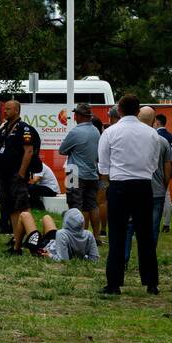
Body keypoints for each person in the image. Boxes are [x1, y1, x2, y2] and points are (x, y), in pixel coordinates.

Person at [97, 93, 161, 295]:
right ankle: (151, 282)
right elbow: (153, 163)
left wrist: (111, 181)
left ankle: (114, 283)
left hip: (119, 185)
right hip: (143, 185)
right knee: (145, 235)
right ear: (138, 110)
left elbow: (103, 166)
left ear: (120, 110)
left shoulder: (110, 132)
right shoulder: (151, 134)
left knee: (117, 234)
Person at [124, 107, 172, 262]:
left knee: (129, 226)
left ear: (138, 118)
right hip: (156, 191)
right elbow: (167, 169)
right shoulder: (163, 141)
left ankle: (123, 258)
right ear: (154, 121)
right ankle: (147, 261)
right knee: (151, 229)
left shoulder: (130, 138)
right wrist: (164, 187)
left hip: (133, 187)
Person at [0, 100, 41, 253]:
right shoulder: (5, 128)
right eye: (4, 109)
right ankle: (16, 239)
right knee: (11, 208)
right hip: (4, 175)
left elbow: (29, 151)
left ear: (17, 110)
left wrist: (21, 173)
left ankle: (34, 238)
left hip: (16, 175)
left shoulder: (24, 128)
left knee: (23, 207)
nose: (5, 111)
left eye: (8, 109)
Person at [57, 103, 103, 242]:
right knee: (92, 205)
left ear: (80, 116)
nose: (74, 116)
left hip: (74, 171)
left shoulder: (75, 132)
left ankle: (77, 236)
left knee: (74, 205)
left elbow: (62, 150)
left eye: (76, 113)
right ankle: (96, 236)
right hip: (92, 172)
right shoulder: (96, 131)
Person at [23, 207, 98, 261]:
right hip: (54, 242)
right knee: (47, 217)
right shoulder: (88, 234)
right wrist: (82, 256)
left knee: (25, 215)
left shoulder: (62, 234)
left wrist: (49, 255)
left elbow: (63, 259)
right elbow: (94, 258)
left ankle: (16, 248)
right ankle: (43, 238)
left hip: (42, 247)